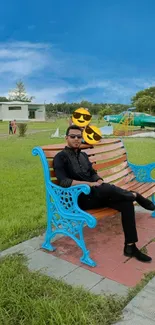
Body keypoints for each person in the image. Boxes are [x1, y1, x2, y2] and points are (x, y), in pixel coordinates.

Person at [53, 125, 155, 263]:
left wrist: (98, 180)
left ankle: (130, 246)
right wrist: (90, 184)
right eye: (73, 136)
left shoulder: (83, 155)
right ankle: (135, 195)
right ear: (66, 138)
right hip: (79, 198)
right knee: (105, 188)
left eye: (79, 136)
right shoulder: (60, 157)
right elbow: (64, 182)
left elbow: (93, 173)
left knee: (125, 203)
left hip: (96, 194)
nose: (76, 139)